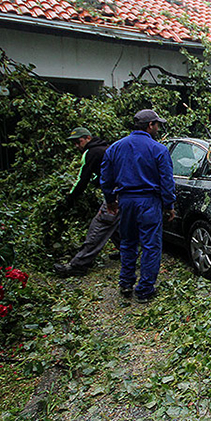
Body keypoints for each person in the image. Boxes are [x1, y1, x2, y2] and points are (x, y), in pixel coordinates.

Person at [100, 109, 176, 304]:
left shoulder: (115, 148)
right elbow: (166, 181)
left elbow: (105, 178)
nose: (158, 128)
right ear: (150, 125)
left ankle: (126, 283)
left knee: (128, 242)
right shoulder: (158, 149)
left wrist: (110, 200)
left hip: (125, 200)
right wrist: (169, 205)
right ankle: (144, 290)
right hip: (149, 202)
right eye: (157, 125)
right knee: (151, 245)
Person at [53, 127, 120, 277]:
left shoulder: (91, 153)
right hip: (125, 192)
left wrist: (70, 198)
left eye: (79, 142)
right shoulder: (107, 148)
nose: (77, 146)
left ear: (88, 138)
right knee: (116, 224)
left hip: (115, 194)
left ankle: (79, 264)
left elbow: (82, 179)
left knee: (100, 224)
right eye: (74, 144)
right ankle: (127, 252)